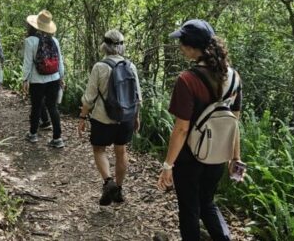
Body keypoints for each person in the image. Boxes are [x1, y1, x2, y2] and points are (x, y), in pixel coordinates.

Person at [157, 19, 243, 241]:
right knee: (207, 203)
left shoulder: (187, 80)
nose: (180, 47)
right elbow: (234, 123)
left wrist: (168, 165)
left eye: (181, 42)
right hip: (217, 157)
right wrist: (235, 158)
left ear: (191, 46)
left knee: (189, 209)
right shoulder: (233, 78)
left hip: (189, 158)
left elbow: (181, 129)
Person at [78, 30, 142, 205]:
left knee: (99, 150)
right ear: (122, 46)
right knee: (121, 151)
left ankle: (108, 182)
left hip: (102, 118)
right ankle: (118, 189)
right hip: (126, 117)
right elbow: (137, 97)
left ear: (104, 46)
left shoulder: (99, 67)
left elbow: (89, 98)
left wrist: (82, 117)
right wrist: (136, 117)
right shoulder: (131, 66)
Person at [22, 9, 65, 148]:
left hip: (37, 80)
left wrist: (25, 79)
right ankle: (58, 138)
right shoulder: (54, 40)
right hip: (54, 78)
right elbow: (60, 61)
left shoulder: (30, 41)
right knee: (53, 107)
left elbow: (28, 62)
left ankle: (33, 134)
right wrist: (61, 77)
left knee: (36, 106)